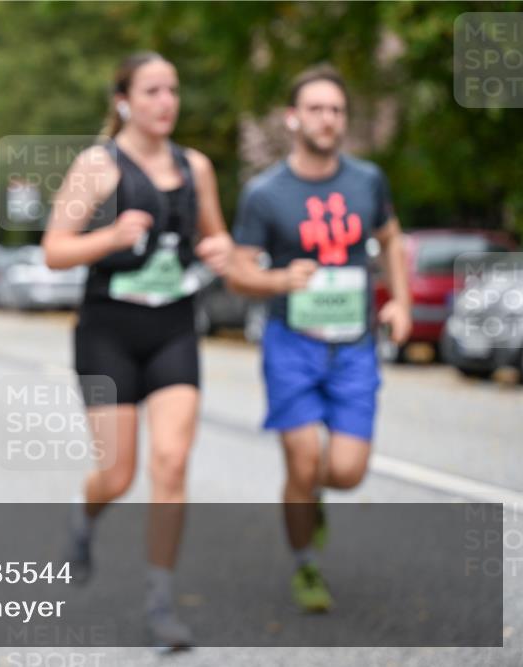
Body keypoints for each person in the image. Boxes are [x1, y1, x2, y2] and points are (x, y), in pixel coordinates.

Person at [41, 52, 233, 649]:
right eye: (152, 91)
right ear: (124, 100)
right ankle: (84, 514)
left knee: (171, 464)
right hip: (108, 332)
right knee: (118, 475)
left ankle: (159, 603)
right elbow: (54, 250)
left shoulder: (195, 166)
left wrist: (221, 250)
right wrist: (110, 235)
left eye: (172, 90)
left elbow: (214, 234)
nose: (166, 102)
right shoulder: (98, 167)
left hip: (174, 326)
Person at [227, 64, 411, 613]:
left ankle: (314, 500)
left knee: (347, 472)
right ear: (292, 118)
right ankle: (305, 563)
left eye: (336, 110)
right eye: (316, 108)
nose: (327, 118)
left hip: (354, 344)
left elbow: (390, 236)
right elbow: (238, 272)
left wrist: (399, 299)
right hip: (293, 342)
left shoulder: (367, 180)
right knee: (302, 460)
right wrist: (279, 279)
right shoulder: (264, 194)